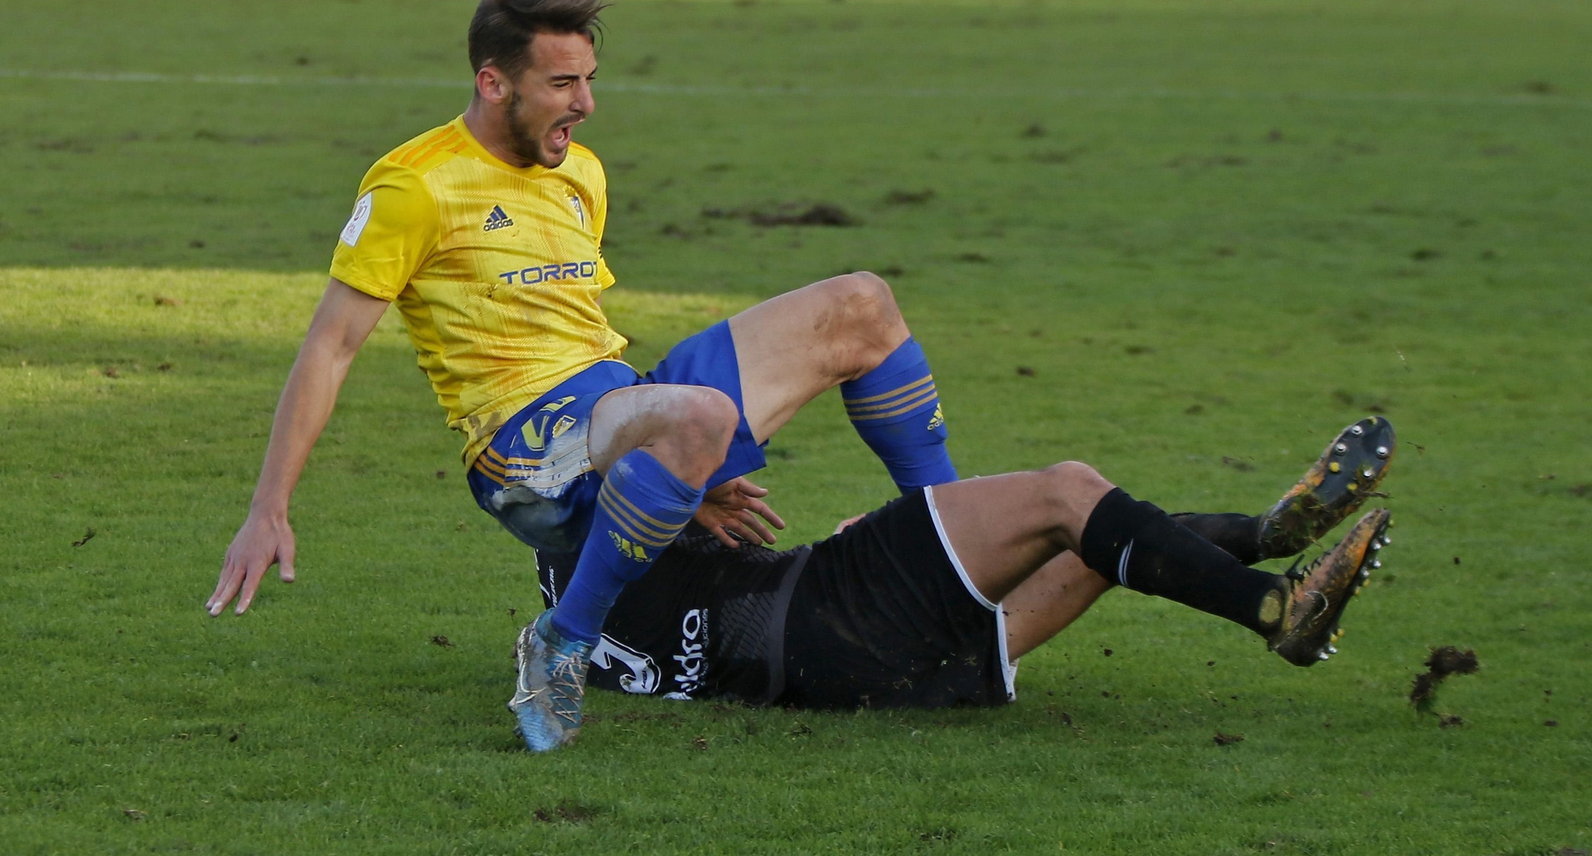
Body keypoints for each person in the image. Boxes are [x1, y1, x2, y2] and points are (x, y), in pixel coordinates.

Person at [205, 0, 962, 755]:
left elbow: (582, 332)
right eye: (562, 83)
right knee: (699, 414)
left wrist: (671, 467)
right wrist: (269, 507)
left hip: (619, 406)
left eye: (590, 80)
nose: (585, 104)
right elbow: (329, 348)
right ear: (493, 83)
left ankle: (944, 532)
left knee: (862, 304)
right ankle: (559, 645)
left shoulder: (581, 173)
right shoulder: (414, 186)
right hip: (525, 455)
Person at [548, 419, 1399, 709]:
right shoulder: (604, 529)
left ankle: (1262, 534)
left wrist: (691, 503)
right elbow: (655, 458)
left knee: (1100, 546)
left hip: (850, 686)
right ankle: (1274, 607)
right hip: (821, 607)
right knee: (1067, 496)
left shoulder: (572, 613)